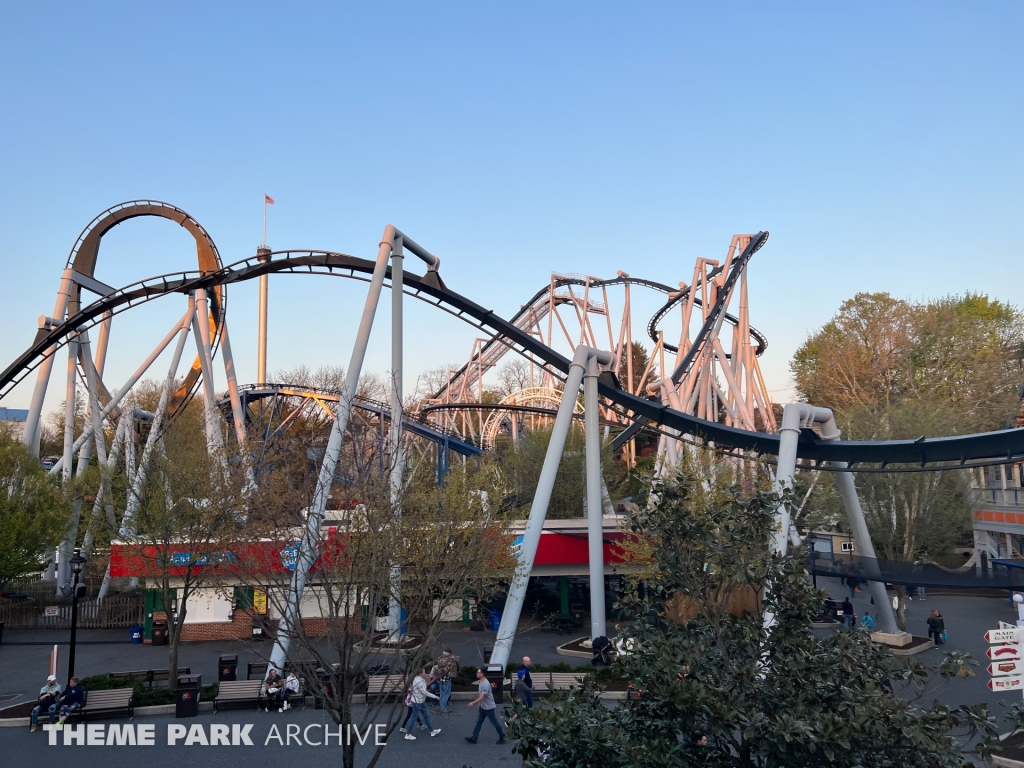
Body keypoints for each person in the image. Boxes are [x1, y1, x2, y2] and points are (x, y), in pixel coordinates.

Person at [465, 668, 506, 745]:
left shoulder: (486, 684)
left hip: (489, 708)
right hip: (484, 706)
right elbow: (482, 696)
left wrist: (473, 703)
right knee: (479, 722)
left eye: (478, 672)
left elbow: (483, 696)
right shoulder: (481, 682)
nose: (477, 673)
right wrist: (480, 703)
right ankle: (474, 738)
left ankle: (502, 736)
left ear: (482, 674)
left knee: (494, 722)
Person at [404, 667, 441, 740]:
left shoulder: (419, 680)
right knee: (414, 717)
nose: (425, 673)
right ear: (421, 673)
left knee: (426, 716)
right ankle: (408, 734)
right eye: (424, 672)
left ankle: (432, 731)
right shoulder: (418, 681)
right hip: (417, 702)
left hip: (420, 701)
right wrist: (435, 696)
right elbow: (424, 692)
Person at [435, 649, 459, 713]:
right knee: (446, 694)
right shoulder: (450, 660)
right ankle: (444, 708)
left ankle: (441, 706)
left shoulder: (439, 659)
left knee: (442, 693)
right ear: (449, 653)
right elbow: (449, 668)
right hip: (447, 678)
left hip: (440, 678)